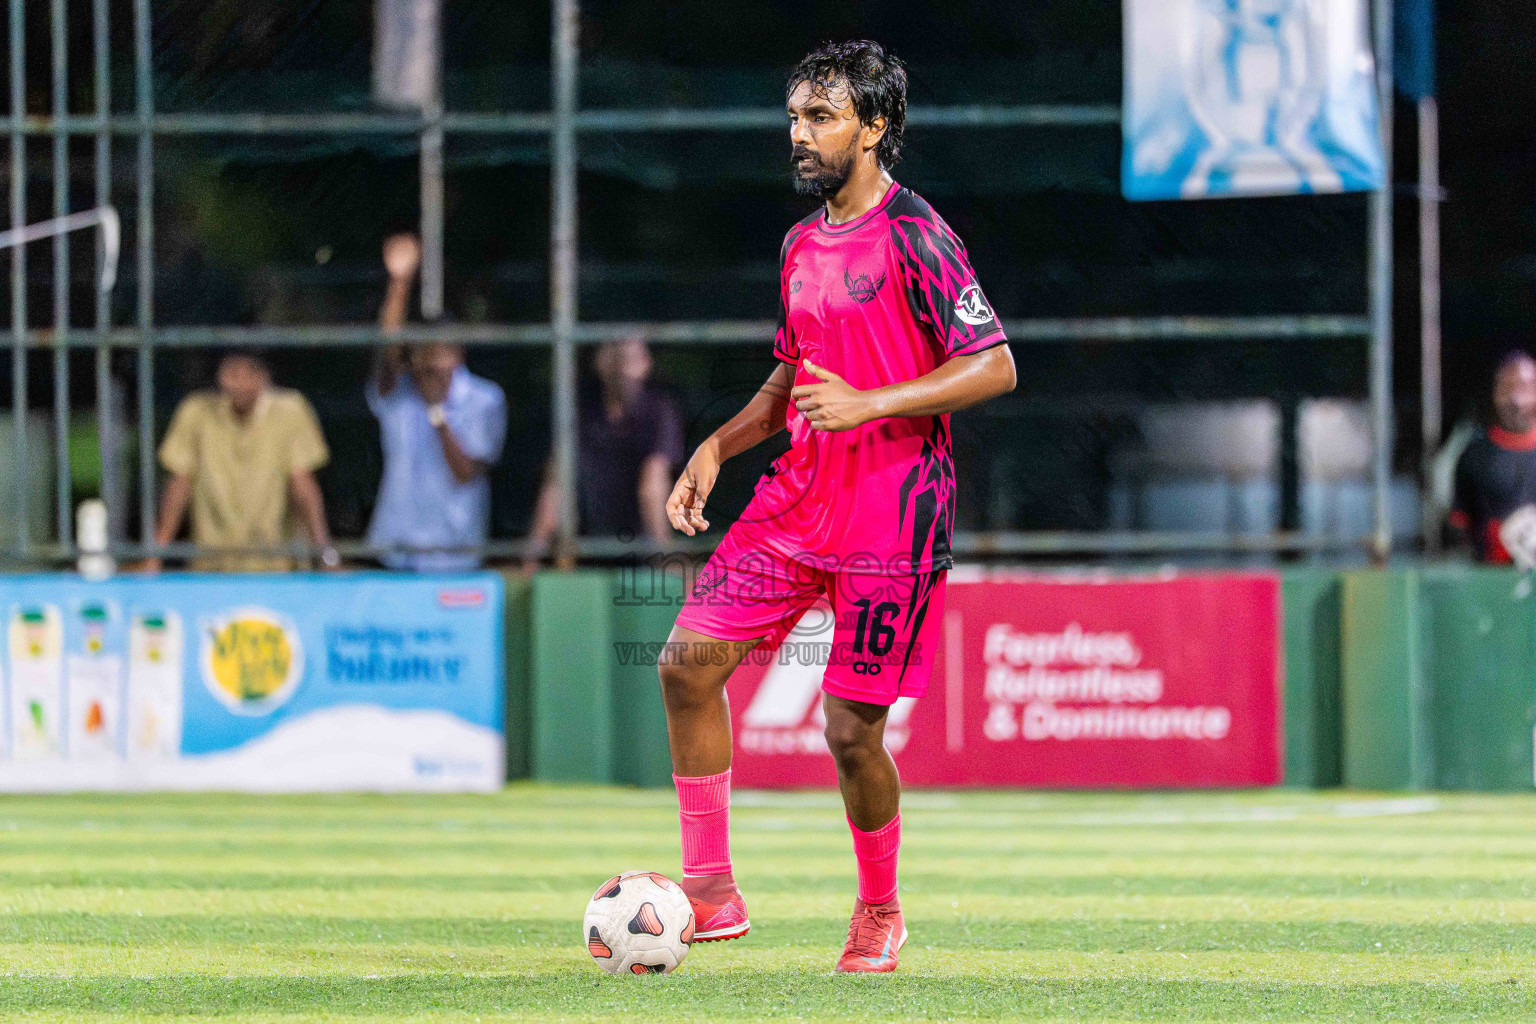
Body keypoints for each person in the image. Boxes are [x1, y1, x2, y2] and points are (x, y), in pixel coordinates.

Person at [656, 41, 1016, 973]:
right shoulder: (800, 245)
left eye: (820, 116)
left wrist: (872, 402)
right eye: (794, 115)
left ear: (876, 126)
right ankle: (711, 893)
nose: (799, 133)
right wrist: (717, 447)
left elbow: (995, 364)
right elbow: (789, 379)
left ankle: (881, 910)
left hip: (892, 513)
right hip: (795, 500)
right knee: (687, 666)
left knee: (851, 733)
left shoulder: (917, 234)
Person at [368, 233, 507, 572]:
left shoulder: (485, 399)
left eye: (440, 352)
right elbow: (387, 352)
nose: (432, 363)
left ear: (457, 354)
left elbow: (465, 473)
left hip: (455, 555)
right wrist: (399, 284)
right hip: (396, 552)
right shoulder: (398, 395)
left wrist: (437, 413)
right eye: (423, 352)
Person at [151, 348, 334, 572]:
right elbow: (179, 484)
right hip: (211, 566)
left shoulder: (291, 409)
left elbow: (303, 484)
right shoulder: (195, 411)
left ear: (265, 376)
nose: (240, 382)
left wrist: (326, 554)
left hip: (277, 568)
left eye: (250, 372)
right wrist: (155, 556)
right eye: (232, 372)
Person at [523, 333, 685, 567]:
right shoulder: (579, 411)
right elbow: (557, 483)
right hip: (583, 551)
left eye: (631, 357)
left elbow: (652, 487)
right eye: (617, 354)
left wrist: (664, 557)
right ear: (600, 361)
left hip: (641, 553)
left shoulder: (660, 411)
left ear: (646, 363)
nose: (623, 365)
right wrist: (532, 554)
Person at [1450, 350, 1536, 563]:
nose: (1516, 400)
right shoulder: (1474, 456)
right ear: (1495, 393)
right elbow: (1459, 525)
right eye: (1508, 388)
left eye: (1525, 388)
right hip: (1492, 583)